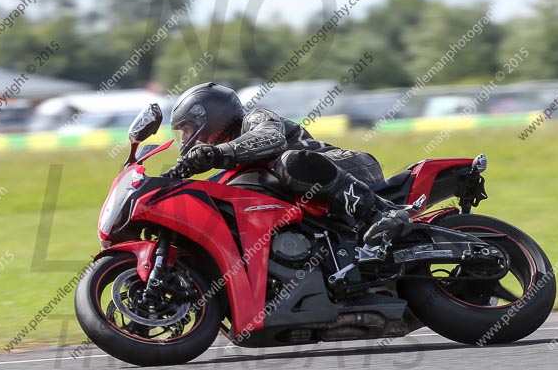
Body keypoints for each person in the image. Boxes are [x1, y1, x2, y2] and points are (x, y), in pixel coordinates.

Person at [163, 82, 410, 251]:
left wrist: (217, 152)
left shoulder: (256, 119)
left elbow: (271, 139)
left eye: (187, 129)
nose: (185, 138)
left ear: (211, 116)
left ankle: (382, 212)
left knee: (290, 162)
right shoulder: (231, 168)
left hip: (348, 165)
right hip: (318, 198)